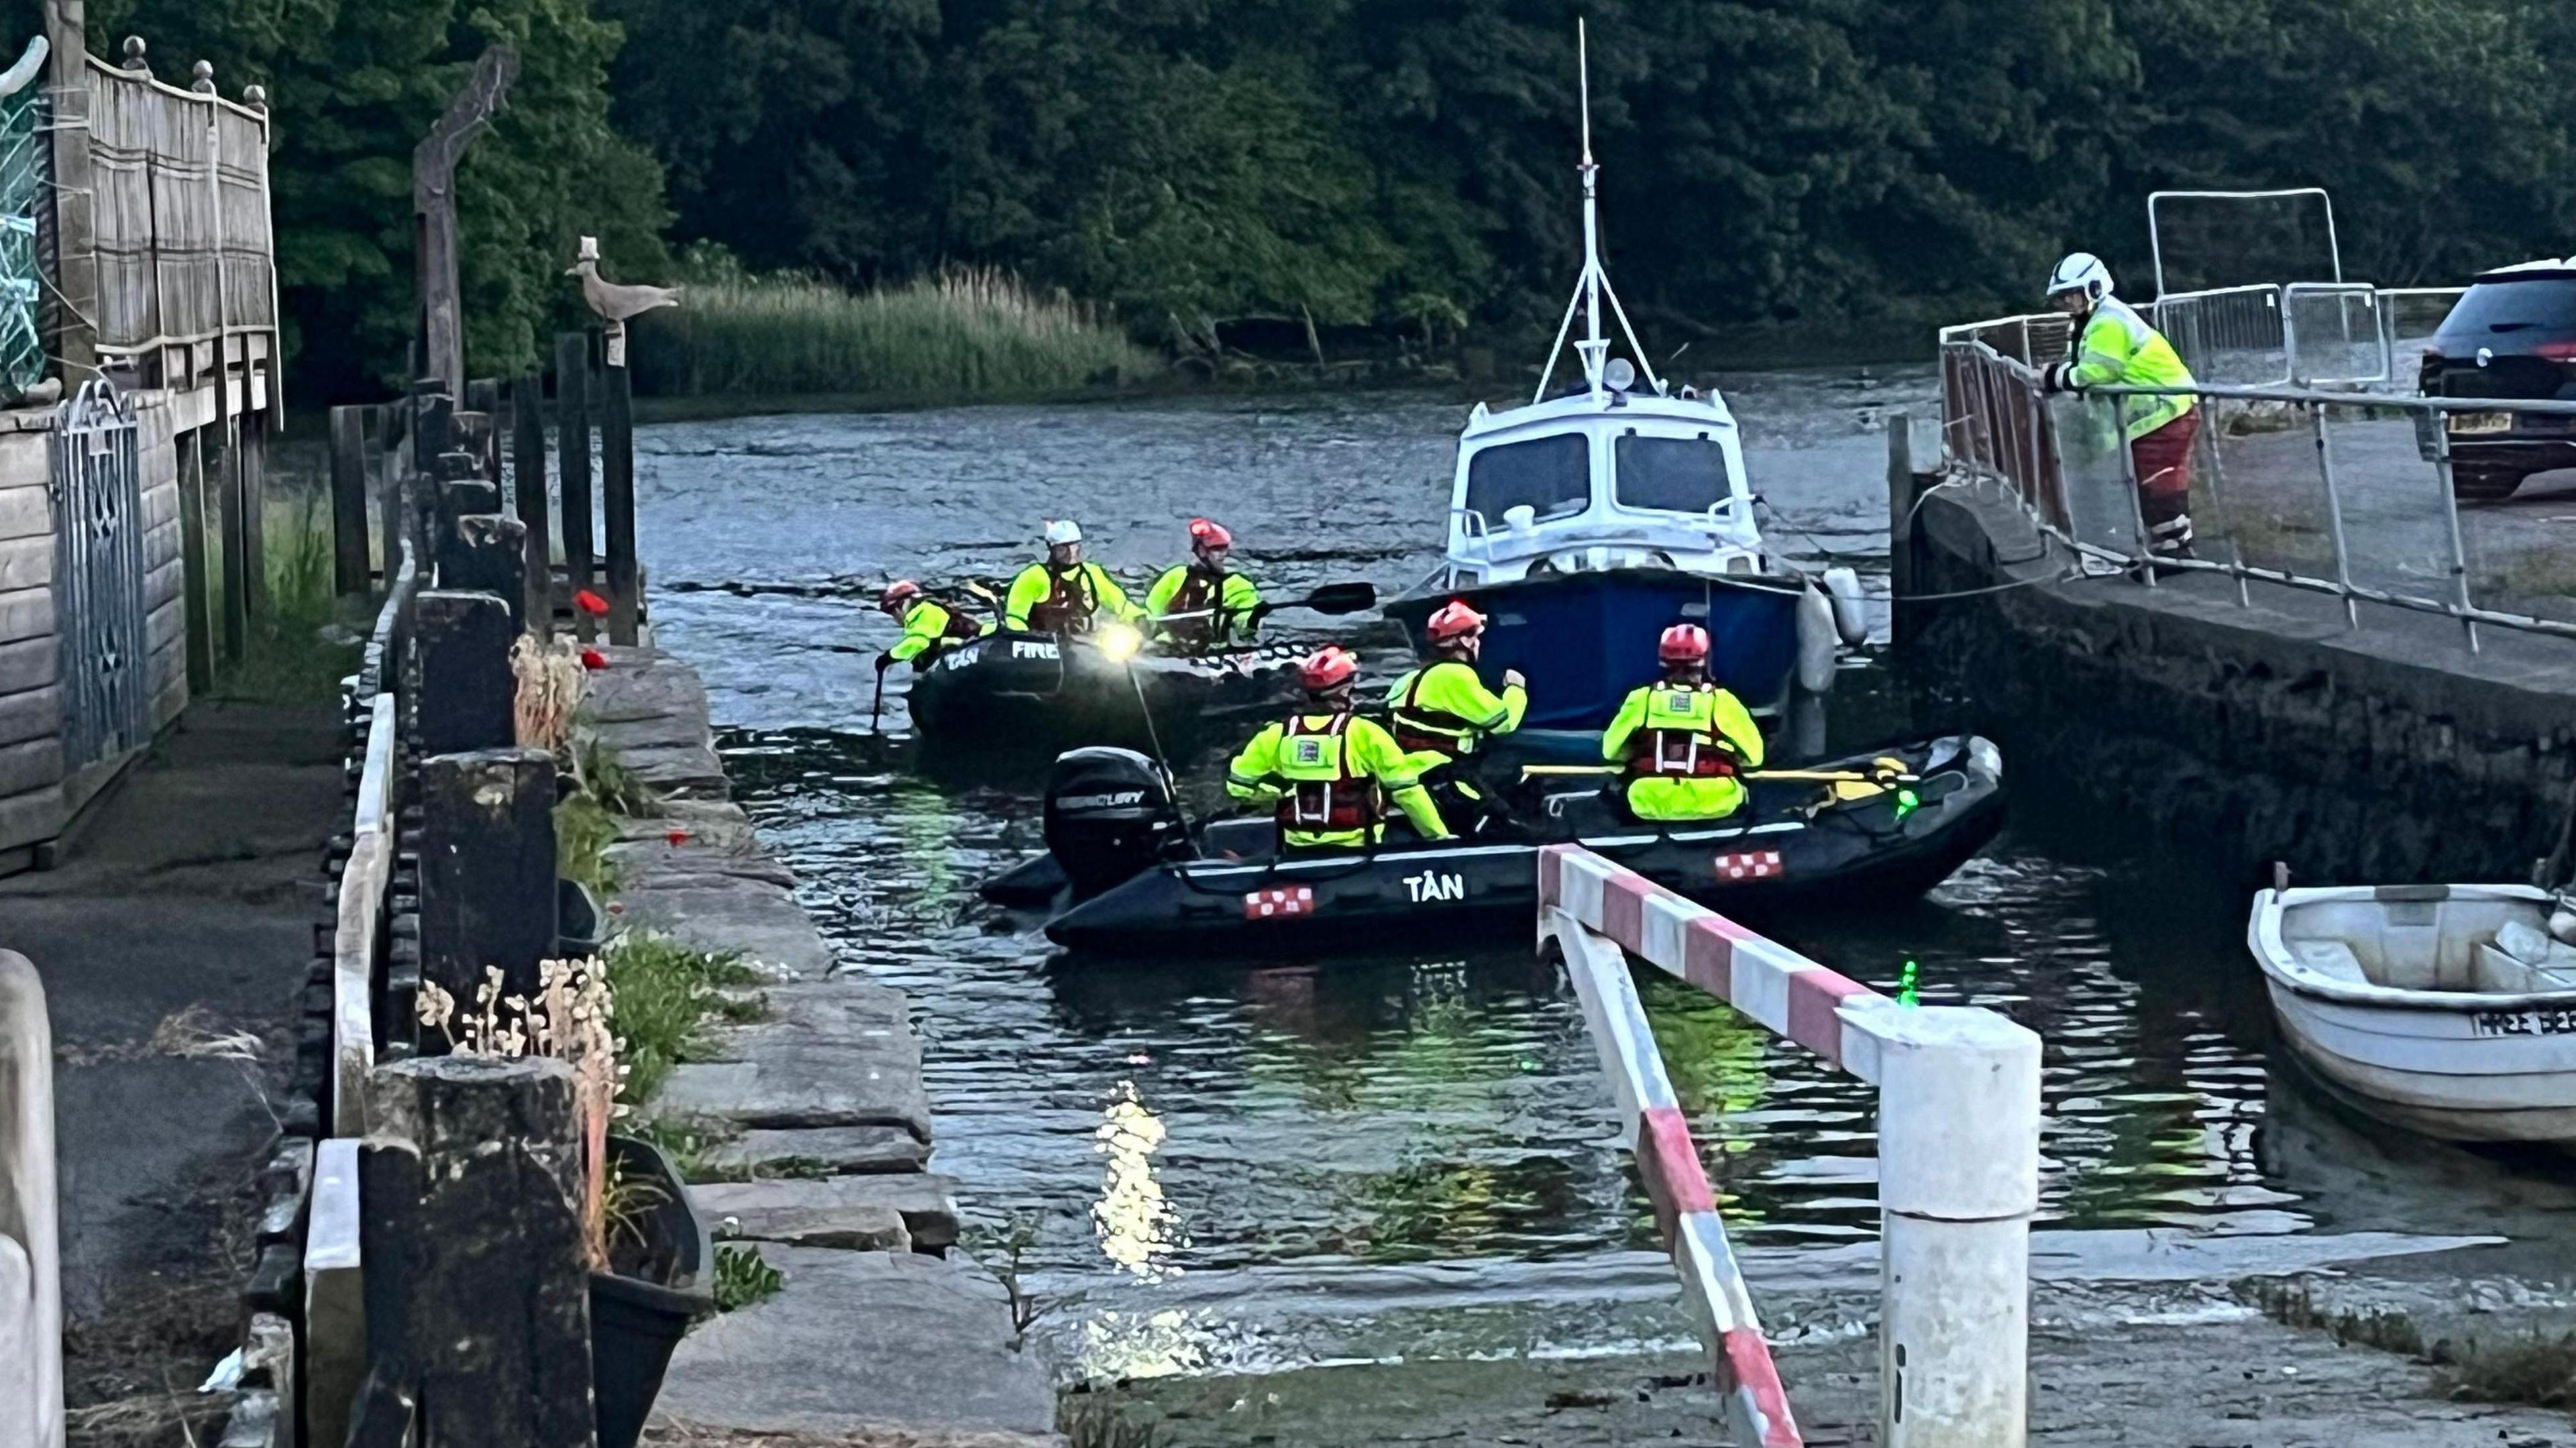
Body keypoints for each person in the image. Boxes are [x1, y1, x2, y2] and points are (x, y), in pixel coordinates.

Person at [2040, 252, 2201, 559]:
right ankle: (2169, 547)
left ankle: (2175, 551)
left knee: (2158, 480)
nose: (2068, 303)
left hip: (2164, 410)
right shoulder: (2100, 319)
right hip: (2165, 409)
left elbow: (2098, 371)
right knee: (2159, 478)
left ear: (2094, 288)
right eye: (2063, 297)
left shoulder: (2107, 323)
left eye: (2073, 295)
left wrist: (2052, 377)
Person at [1228, 645, 1450, 850]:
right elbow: (1407, 792)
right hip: (1360, 852)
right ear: (1346, 692)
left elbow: (1238, 787)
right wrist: (1439, 838)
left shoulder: (1275, 735)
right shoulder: (1365, 733)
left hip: (1296, 854)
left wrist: (1273, 794)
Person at [1601, 624, 1766, 823]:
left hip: (1648, 802)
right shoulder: (1722, 701)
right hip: (1717, 802)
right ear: (1704, 660)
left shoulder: (1642, 699)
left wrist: (1635, 754)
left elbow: (1610, 751)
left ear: (1663, 662)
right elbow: (1755, 758)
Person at [1387, 601, 1526, 834]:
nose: (1479, 643)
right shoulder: (1454, 676)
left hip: (1413, 777)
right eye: (1476, 637)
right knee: (1506, 828)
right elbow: (1503, 723)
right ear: (1464, 641)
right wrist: (1516, 690)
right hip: (1443, 776)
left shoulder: (1410, 678)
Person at [1004, 520, 1143, 634]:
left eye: (1074, 546)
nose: (1071, 553)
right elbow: (1015, 618)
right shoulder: (1033, 576)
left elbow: (1121, 604)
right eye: (1063, 548)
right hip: (1041, 640)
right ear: (1052, 550)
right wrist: (1024, 638)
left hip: (1081, 643)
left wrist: (1141, 618)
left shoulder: (1093, 573)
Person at [1146, 518, 1263, 650]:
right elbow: (1152, 611)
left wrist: (1254, 618)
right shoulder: (1175, 576)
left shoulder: (1238, 584)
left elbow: (1245, 627)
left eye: (1223, 549)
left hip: (1215, 649)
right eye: (1215, 549)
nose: (1220, 555)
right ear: (1200, 550)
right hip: (1173, 645)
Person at [873, 580, 986, 674]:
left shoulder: (925, 610)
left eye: (892, 611)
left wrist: (889, 657)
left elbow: (918, 642)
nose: (895, 618)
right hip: (976, 648)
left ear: (901, 605)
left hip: (976, 648)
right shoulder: (933, 608)